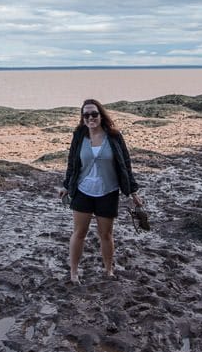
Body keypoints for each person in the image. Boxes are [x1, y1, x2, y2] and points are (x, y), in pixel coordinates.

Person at [58, 99, 143, 283]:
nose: (90, 118)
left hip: (108, 191)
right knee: (79, 233)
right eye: (86, 115)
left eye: (94, 114)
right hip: (83, 191)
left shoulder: (114, 136)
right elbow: (72, 163)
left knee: (106, 234)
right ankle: (73, 272)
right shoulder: (79, 136)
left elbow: (125, 164)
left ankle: (108, 270)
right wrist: (66, 185)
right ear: (83, 118)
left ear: (101, 115)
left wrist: (133, 192)